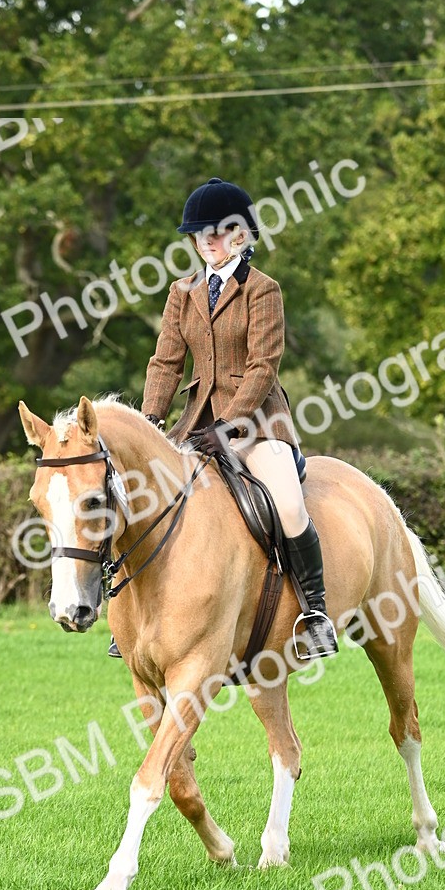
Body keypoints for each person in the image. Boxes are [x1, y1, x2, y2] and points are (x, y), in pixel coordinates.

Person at [109, 176, 338, 661]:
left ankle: (314, 612)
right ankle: (130, 616)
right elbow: (165, 363)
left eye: (218, 232)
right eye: (200, 234)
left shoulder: (262, 290)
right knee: (141, 494)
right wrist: (150, 423)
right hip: (194, 422)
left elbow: (262, 365)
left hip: (257, 423)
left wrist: (230, 425)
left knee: (289, 503)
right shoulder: (181, 292)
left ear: (242, 235)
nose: (208, 242)